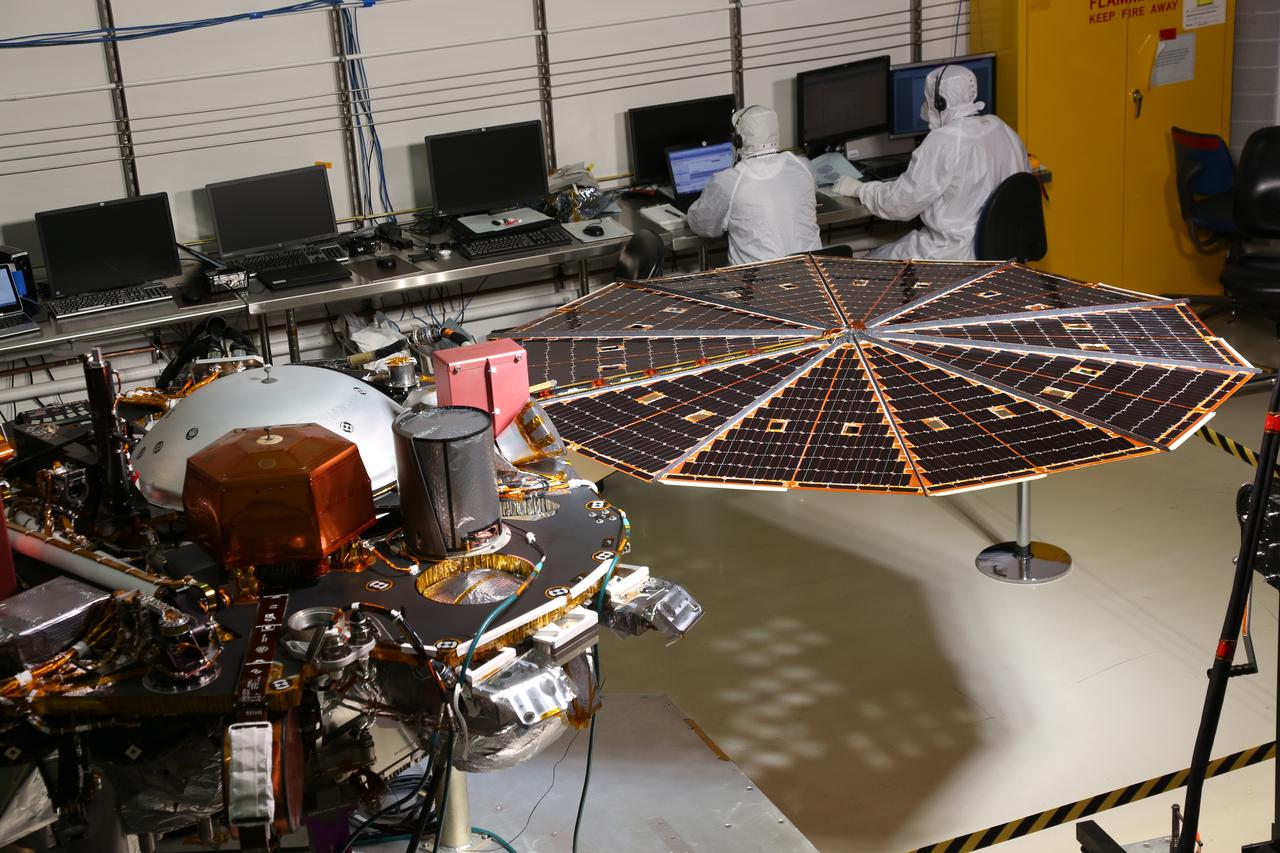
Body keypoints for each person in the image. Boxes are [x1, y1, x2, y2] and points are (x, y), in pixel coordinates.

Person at [831, 64, 1028, 260]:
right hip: (1001, 254)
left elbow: (900, 204)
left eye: (927, 100)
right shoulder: (1002, 128)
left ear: (940, 103)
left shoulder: (943, 141)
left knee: (866, 264)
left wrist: (859, 189)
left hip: (950, 254)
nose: (924, 107)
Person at [686, 105, 821, 266]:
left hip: (761, 284)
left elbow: (701, 224)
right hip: (814, 278)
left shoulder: (730, 181)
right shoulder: (803, 166)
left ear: (738, 140)